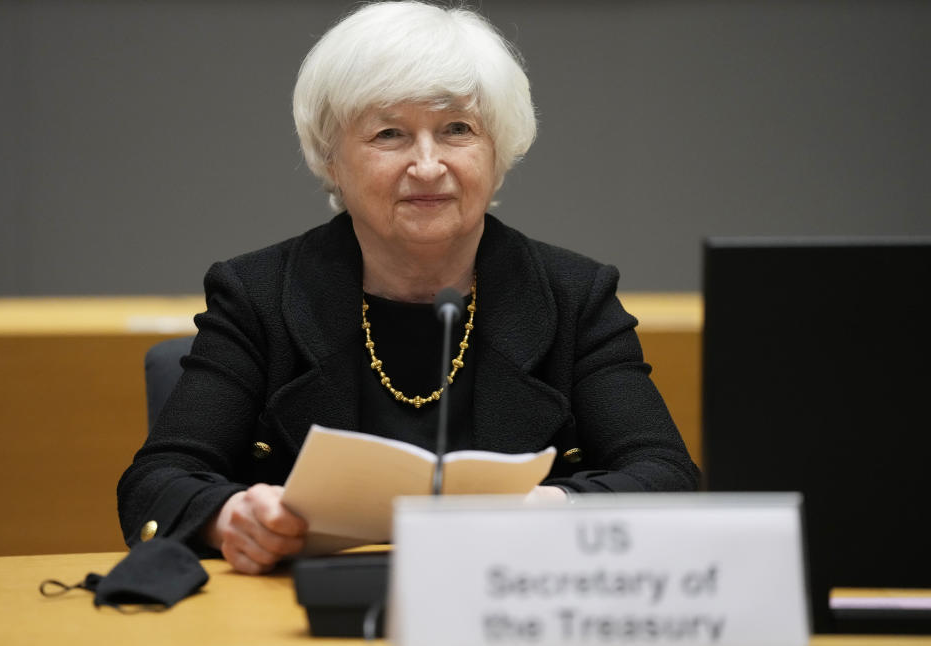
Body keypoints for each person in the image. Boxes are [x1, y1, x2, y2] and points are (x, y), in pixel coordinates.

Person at [118, 1, 698, 575]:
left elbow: (666, 477)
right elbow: (157, 481)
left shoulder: (574, 296)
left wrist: (547, 509)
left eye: (457, 130)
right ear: (331, 158)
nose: (427, 164)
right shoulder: (258, 294)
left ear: (498, 152)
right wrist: (231, 516)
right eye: (390, 133)